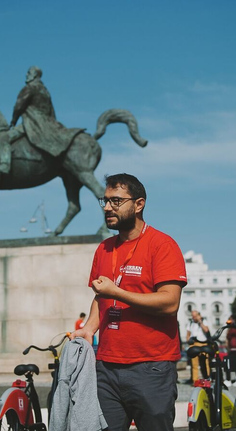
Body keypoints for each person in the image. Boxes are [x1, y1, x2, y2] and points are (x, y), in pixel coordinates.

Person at [73, 173, 187, 431]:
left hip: (151, 367)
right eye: (104, 200)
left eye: (116, 201)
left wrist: (117, 293)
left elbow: (170, 303)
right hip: (106, 367)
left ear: (139, 204)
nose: (106, 207)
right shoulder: (104, 248)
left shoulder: (162, 245)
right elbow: (100, 296)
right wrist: (89, 328)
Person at [9, 66, 81, 157]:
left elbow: (18, 106)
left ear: (34, 75)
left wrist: (13, 121)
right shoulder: (45, 91)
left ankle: (2, 165)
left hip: (32, 124)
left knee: (5, 138)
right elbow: (52, 111)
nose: (26, 75)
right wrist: (54, 125)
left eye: (28, 72)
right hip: (48, 125)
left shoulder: (30, 87)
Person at [186, 309, 211, 382]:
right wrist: (188, 340)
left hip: (203, 343)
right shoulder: (190, 323)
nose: (194, 318)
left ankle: (207, 378)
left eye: (195, 316)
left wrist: (200, 321)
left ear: (199, 315)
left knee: (205, 363)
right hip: (194, 343)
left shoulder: (204, 321)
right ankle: (195, 380)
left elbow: (206, 330)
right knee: (194, 364)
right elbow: (188, 334)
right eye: (193, 316)